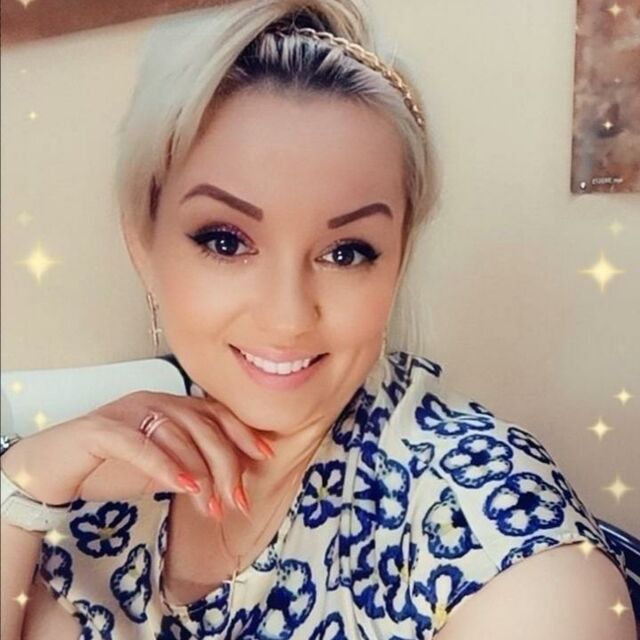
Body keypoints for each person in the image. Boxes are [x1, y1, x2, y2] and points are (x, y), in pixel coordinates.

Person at [0, 1, 634, 639]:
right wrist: (22, 489)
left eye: (346, 252)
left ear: (397, 261)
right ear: (144, 245)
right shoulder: (87, 490)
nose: (288, 317)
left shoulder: (498, 535)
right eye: (226, 241)